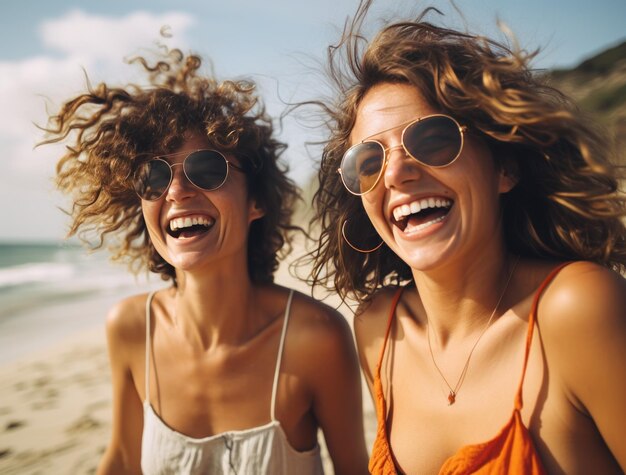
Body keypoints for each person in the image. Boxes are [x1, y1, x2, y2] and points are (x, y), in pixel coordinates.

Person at [306, 1, 626, 473]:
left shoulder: (575, 309)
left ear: (506, 166)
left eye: (432, 139)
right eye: (367, 162)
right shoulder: (378, 330)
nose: (395, 172)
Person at [41, 47, 368, 474]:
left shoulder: (316, 338)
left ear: (256, 201)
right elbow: (122, 458)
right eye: (154, 176)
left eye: (207, 169)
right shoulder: (130, 328)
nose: (176, 191)